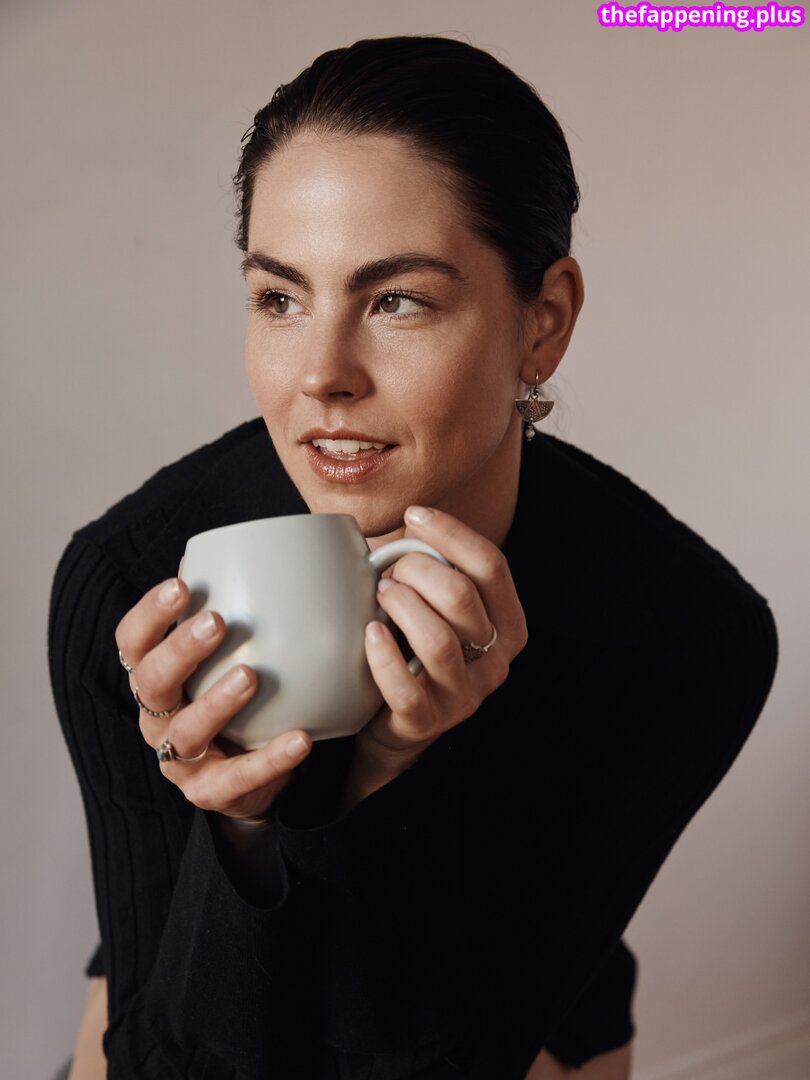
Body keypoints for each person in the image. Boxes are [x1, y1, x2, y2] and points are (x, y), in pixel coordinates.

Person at [49, 34, 779, 1080]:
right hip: (201, 958)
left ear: (544, 323)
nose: (321, 376)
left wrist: (387, 782)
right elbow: (172, 1064)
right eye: (280, 298)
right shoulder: (130, 584)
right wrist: (242, 830)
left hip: (508, 986)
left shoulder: (688, 637)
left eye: (398, 300)